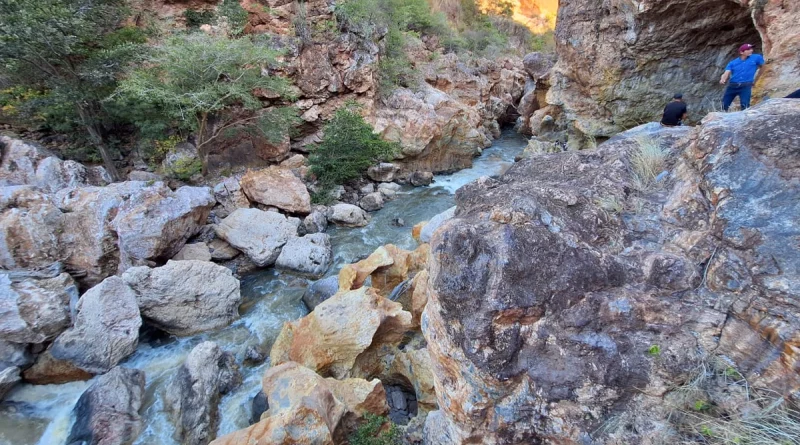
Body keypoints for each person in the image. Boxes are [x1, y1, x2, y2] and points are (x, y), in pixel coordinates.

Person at [719, 43, 765, 111]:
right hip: (733, 86)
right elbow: (727, 72)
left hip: (746, 85)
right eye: (748, 49)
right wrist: (723, 79)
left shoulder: (756, 57)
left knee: (745, 105)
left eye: (751, 49)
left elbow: (763, 66)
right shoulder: (733, 63)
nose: (751, 50)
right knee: (724, 105)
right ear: (741, 52)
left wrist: (757, 78)